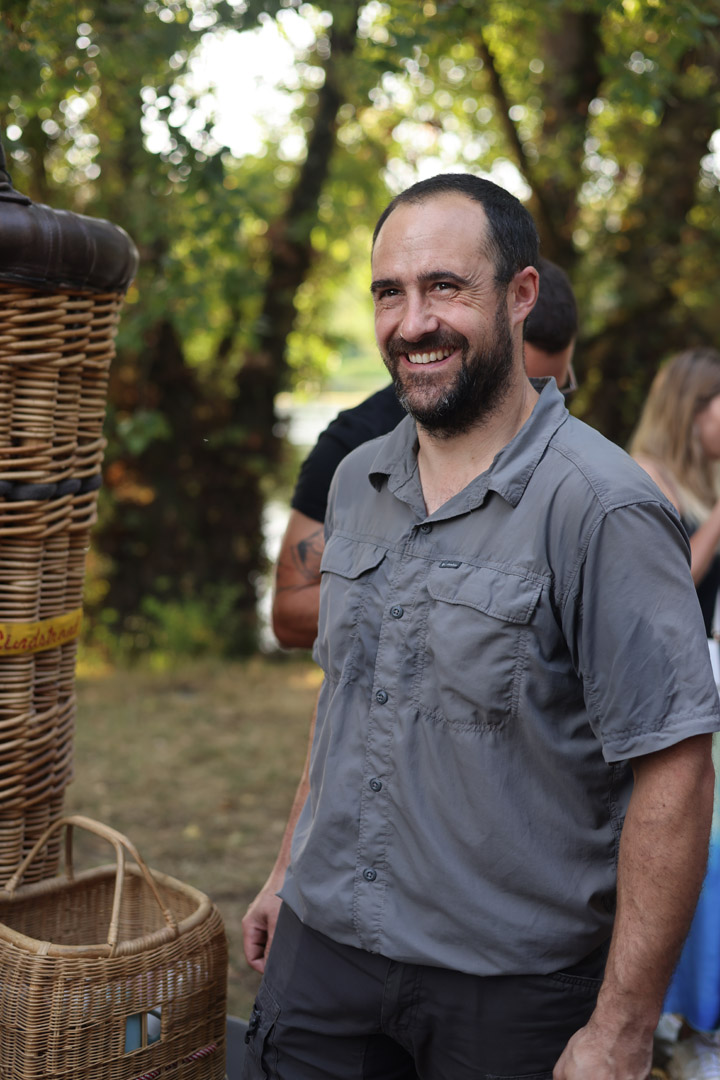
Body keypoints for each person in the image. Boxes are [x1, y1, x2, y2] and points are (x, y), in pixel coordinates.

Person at [241, 173, 718, 1080]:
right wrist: (282, 874)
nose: (412, 321)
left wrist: (621, 1027)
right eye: (391, 291)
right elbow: (348, 698)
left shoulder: (602, 507)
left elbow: (676, 772)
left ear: (520, 296)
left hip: (507, 995)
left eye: (446, 287)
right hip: (325, 958)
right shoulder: (357, 483)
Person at [272, 256, 579, 649]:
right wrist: (474, 602)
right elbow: (288, 613)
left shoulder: (577, 469)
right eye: (523, 385)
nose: (536, 411)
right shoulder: (354, 445)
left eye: (560, 389)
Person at [630, 348, 720, 1080]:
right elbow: (663, 586)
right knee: (694, 843)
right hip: (671, 685)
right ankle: (673, 1016)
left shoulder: (704, 477)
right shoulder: (645, 477)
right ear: (692, 407)